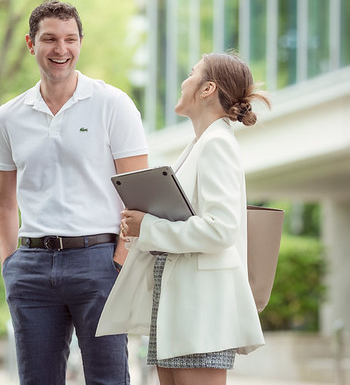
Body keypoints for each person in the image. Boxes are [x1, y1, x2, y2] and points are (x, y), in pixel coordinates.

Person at [0, 0, 149, 384]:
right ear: (31, 43)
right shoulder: (9, 116)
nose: (61, 49)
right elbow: (4, 202)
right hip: (30, 267)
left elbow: (139, 195)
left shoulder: (113, 105)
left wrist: (120, 261)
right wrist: (10, 264)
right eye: (49, 39)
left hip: (99, 262)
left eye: (70, 39)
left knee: (108, 379)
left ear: (80, 42)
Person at [97, 52, 270, 385]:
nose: (184, 81)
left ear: (207, 89)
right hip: (177, 310)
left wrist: (148, 226)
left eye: (192, 73)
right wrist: (142, 224)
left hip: (200, 313)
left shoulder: (217, 144)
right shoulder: (200, 144)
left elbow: (221, 229)